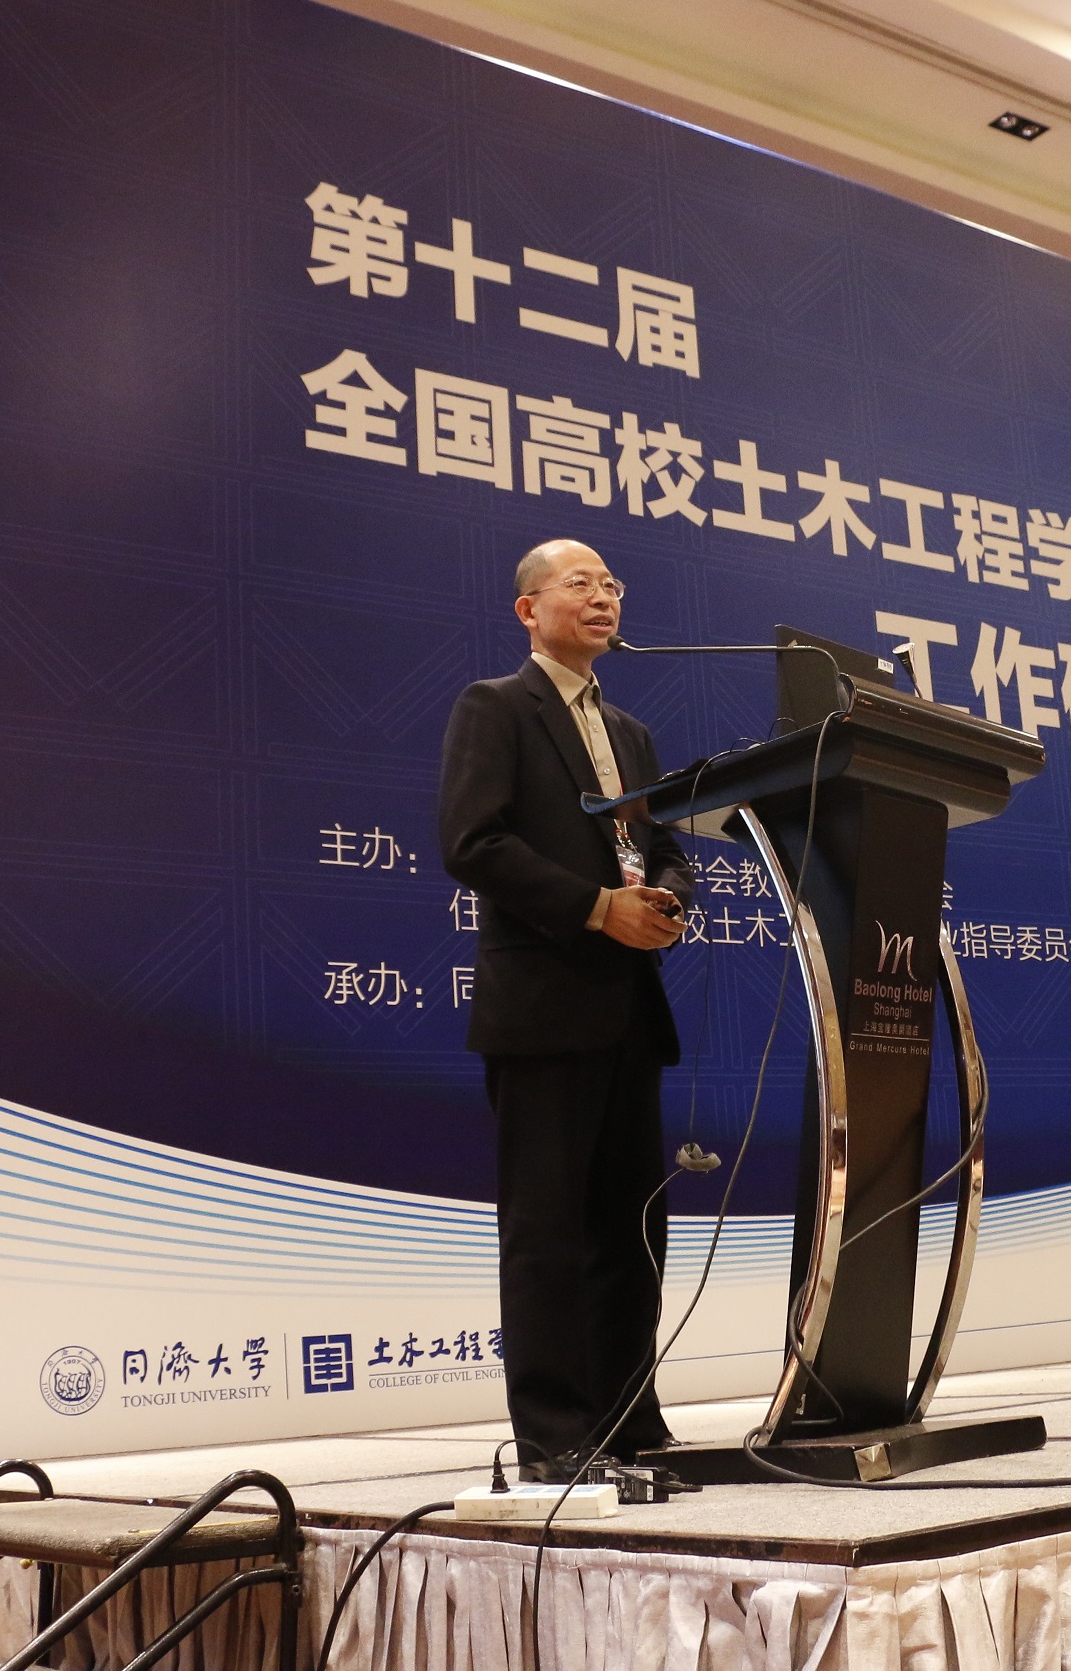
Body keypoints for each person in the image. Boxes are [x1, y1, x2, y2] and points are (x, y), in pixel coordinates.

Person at [438, 539, 695, 1480]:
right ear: (529, 609)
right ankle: (554, 1439)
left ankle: (630, 1421)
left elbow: (665, 846)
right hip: (544, 1007)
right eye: (579, 583)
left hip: (629, 1006)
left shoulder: (631, 732)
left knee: (632, 1230)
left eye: (612, 584)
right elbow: (472, 841)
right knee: (548, 1231)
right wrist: (597, 908)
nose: (602, 597)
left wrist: (665, 897)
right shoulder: (496, 707)